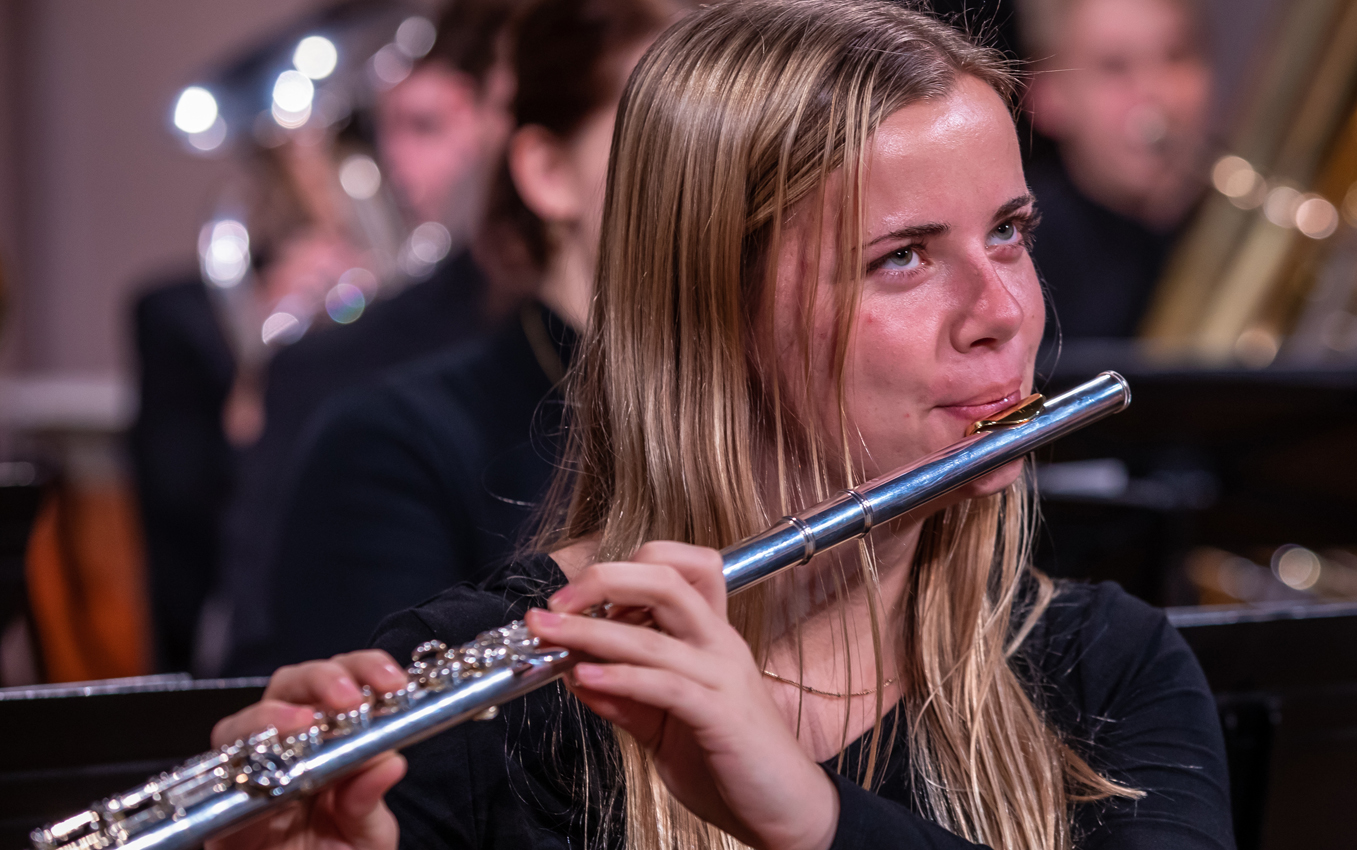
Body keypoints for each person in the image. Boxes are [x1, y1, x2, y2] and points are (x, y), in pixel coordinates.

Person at [212, 2, 1233, 848]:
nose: (1004, 311)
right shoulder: (501, 698)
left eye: (1007, 233)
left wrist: (816, 821)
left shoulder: (1105, 671)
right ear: (712, 307)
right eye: (904, 257)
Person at [227, 0, 680, 673]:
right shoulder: (389, 441)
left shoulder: (761, 398)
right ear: (548, 172)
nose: (718, 173)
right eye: (669, 136)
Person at [216, 0, 529, 673]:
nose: (400, 161)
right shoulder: (329, 370)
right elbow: (260, 641)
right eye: (394, 127)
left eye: (428, 126)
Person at [1020, 0, 1212, 342]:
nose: (1158, 95)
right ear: (1047, 96)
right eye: (1114, 67)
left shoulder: (1232, 212)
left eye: (1176, 55)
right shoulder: (1023, 257)